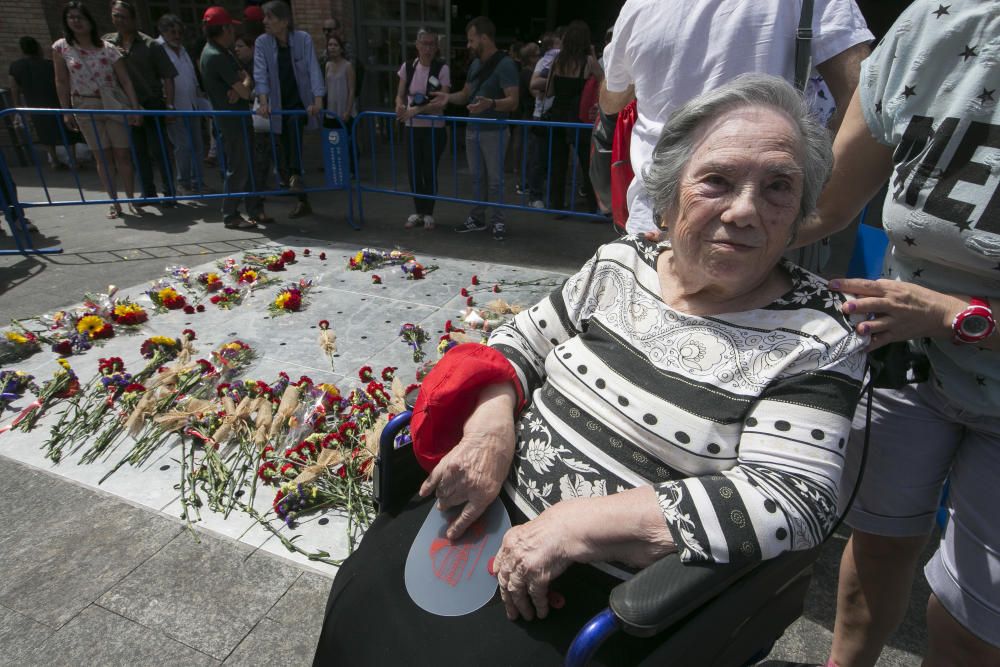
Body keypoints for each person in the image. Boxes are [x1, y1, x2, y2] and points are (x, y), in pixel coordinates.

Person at [314, 74, 869, 664]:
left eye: (778, 187)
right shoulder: (622, 263)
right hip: (483, 511)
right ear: (669, 189)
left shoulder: (816, 334)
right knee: (360, 598)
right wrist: (489, 428)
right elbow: (518, 342)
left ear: (801, 208)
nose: (744, 210)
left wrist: (576, 527)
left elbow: (793, 499)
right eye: (717, 180)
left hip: (598, 583)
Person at [790, 2, 1000, 664]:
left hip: (957, 354)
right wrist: (709, 232)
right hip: (905, 360)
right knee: (875, 546)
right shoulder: (939, 23)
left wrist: (946, 314)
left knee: (971, 623)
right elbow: (827, 200)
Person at [600, 0, 873, 238]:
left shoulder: (640, 5)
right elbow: (864, 95)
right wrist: (822, 204)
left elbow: (611, 100)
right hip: (759, 219)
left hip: (657, 215)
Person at [52, 1, 142, 220]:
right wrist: (66, 111)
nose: (76, 21)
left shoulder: (108, 48)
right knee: (103, 156)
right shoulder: (61, 47)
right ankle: (114, 202)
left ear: (90, 21)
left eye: (80, 17)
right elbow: (61, 81)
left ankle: (131, 198)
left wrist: (134, 107)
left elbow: (125, 80)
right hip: (85, 104)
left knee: (122, 153)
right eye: (71, 17)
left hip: (112, 103)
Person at [432, 16, 518, 241]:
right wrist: (447, 97)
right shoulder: (476, 64)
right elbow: (465, 94)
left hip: (494, 131)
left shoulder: (506, 64)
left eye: (471, 40)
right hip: (474, 129)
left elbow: (514, 100)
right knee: (478, 177)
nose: (468, 45)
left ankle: (498, 220)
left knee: (495, 179)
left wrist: (491, 104)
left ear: (484, 38)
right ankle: (478, 218)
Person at [254, 0, 325, 219]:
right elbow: (261, 73)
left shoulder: (302, 39)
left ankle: (295, 175)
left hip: (300, 104)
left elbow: (313, 69)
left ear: (284, 21)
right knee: (283, 152)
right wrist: (264, 101)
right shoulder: (262, 43)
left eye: (270, 17)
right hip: (278, 107)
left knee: (294, 128)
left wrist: (318, 99)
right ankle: (301, 197)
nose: (265, 21)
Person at [104, 0, 179, 208]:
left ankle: (169, 191)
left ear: (133, 19)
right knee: (137, 151)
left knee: (159, 150)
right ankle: (148, 192)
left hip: (151, 103)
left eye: (123, 17)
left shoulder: (150, 45)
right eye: (115, 16)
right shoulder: (107, 44)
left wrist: (170, 106)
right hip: (125, 105)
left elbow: (168, 77)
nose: (119, 21)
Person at [199, 6, 260, 229]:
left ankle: (253, 209)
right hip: (231, 121)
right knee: (238, 167)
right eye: (231, 29)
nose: (234, 33)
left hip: (239, 118)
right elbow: (246, 88)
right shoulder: (214, 55)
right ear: (224, 29)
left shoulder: (224, 52)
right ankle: (230, 213)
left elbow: (245, 79)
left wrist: (242, 85)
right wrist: (242, 86)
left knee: (248, 165)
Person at [532, 20, 601, 213]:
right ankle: (592, 206)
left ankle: (556, 206)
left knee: (557, 164)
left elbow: (551, 91)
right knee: (587, 164)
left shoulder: (558, 60)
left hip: (557, 116)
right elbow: (603, 80)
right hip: (578, 118)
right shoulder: (587, 61)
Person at [395, 28, 450, 230]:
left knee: (429, 169)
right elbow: (399, 94)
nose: (427, 48)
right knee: (414, 170)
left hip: (434, 129)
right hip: (412, 127)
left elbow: (442, 101)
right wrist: (399, 106)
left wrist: (417, 110)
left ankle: (429, 212)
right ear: (417, 45)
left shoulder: (442, 68)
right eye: (424, 44)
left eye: (431, 44)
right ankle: (418, 211)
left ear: (436, 47)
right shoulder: (407, 67)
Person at [8, 36, 82, 173]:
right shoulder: (49, 64)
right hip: (55, 101)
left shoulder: (16, 67)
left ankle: (54, 160)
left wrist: (17, 107)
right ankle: (73, 160)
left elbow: (14, 89)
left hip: (34, 104)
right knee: (67, 131)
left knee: (44, 133)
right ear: (38, 47)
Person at [155, 14, 206, 196]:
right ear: (163, 32)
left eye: (179, 32)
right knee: (183, 146)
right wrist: (167, 106)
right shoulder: (157, 49)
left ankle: (197, 181)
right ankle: (183, 183)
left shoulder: (183, 50)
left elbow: (191, 76)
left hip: (192, 105)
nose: (176, 35)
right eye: (172, 32)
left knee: (198, 145)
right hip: (174, 107)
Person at [234, 29, 275, 226]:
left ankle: (255, 206)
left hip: (261, 124)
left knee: (261, 168)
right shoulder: (240, 66)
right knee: (255, 168)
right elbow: (244, 93)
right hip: (251, 125)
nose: (237, 49)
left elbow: (248, 92)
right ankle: (253, 208)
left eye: (241, 46)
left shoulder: (256, 67)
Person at [523, 30, 561, 207]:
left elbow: (534, 88)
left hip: (547, 115)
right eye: (558, 42)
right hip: (543, 116)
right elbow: (533, 85)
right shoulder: (549, 60)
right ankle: (535, 195)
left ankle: (538, 195)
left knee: (545, 158)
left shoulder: (546, 61)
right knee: (539, 158)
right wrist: (555, 85)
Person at [324, 32, 356, 176]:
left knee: (348, 142)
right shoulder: (327, 65)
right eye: (330, 45)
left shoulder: (348, 66)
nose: (332, 48)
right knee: (333, 142)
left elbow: (351, 89)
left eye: (335, 45)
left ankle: (352, 170)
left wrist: (348, 110)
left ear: (341, 48)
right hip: (331, 111)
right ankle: (337, 171)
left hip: (345, 110)